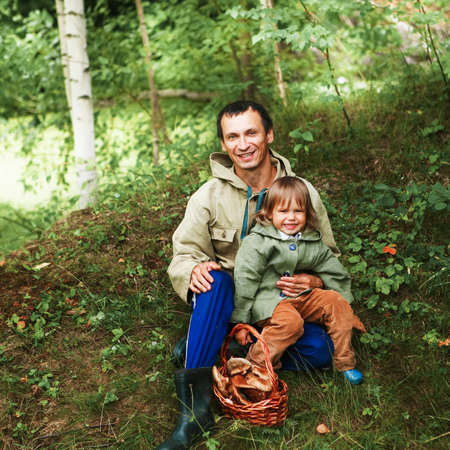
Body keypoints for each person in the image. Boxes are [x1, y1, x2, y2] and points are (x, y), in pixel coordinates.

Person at [157, 101, 340, 450]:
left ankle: (220, 350)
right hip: (226, 303)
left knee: (323, 349)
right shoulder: (207, 196)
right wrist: (192, 269)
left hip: (279, 307)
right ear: (224, 144)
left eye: (251, 133)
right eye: (233, 136)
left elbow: (328, 255)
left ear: (269, 135)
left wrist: (315, 281)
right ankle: (194, 415)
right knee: (213, 280)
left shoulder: (301, 191)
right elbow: (183, 254)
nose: (243, 144)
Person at [231, 176, 366, 384]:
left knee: (335, 302)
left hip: (301, 297)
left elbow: (333, 271)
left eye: (298, 211)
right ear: (269, 213)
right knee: (290, 323)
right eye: (283, 211)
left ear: (307, 213)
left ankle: (345, 363)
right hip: (269, 300)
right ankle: (254, 368)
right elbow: (245, 279)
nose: (291, 218)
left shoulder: (310, 240)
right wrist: (240, 321)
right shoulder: (258, 242)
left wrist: (347, 308)